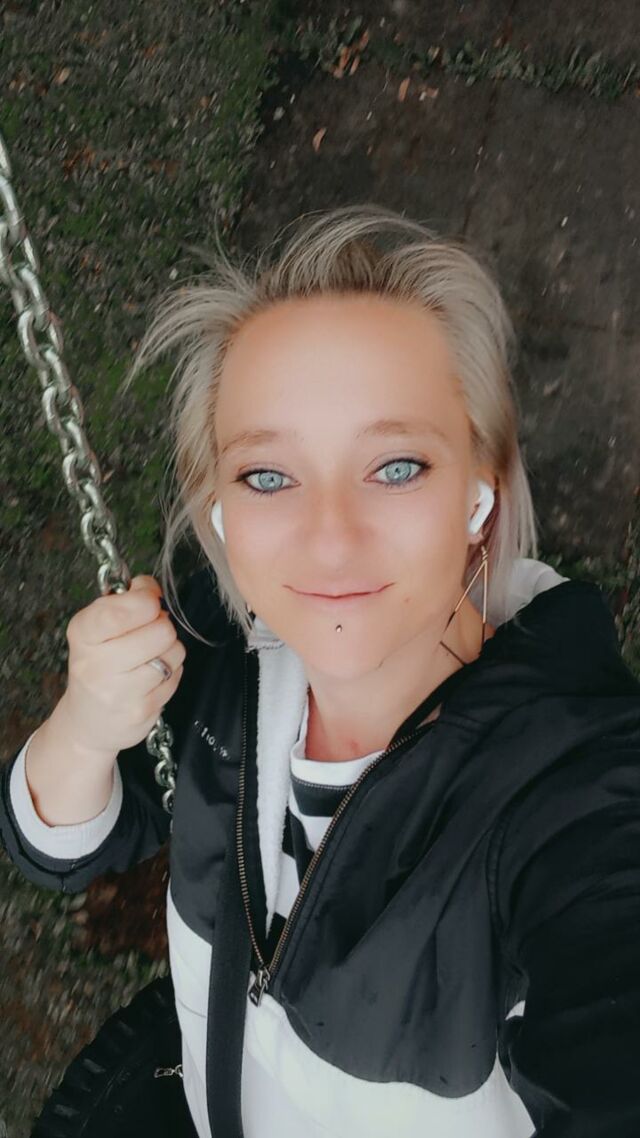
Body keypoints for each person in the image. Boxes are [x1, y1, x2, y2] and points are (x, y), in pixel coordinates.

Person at [1, 203, 640, 1138]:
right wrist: (87, 726)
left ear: (482, 490)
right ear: (219, 511)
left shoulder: (574, 789)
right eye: (268, 476)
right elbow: (60, 848)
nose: (330, 539)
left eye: (397, 466)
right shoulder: (215, 649)